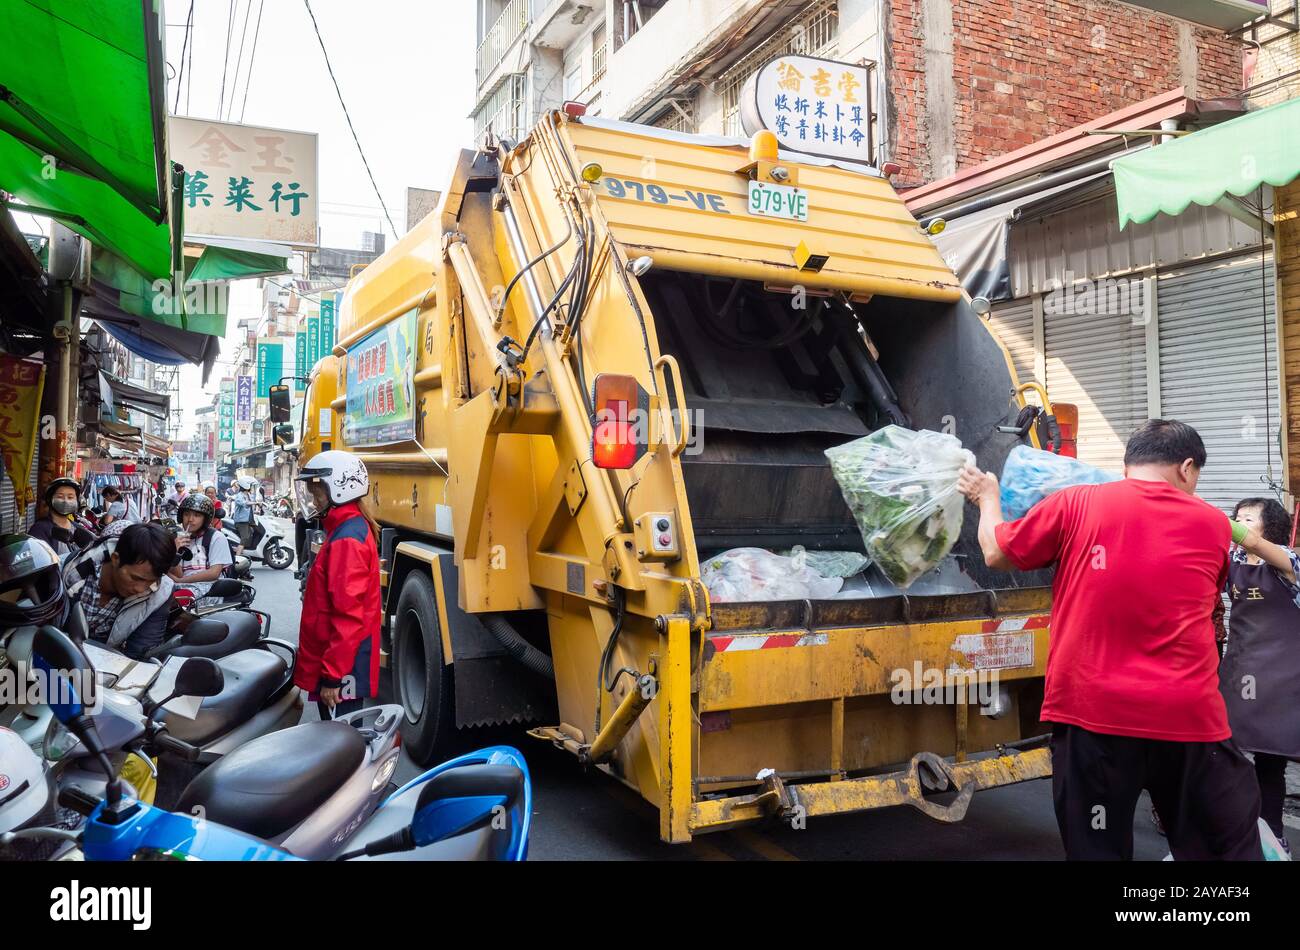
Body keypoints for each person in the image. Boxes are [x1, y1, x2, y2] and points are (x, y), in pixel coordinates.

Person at [957, 419, 1263, 861]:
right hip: (1188, 721)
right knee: (1217, 849)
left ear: (1127, 465)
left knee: (1097, 847)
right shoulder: (1213, 525)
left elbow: (997, 553)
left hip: (1092, 716)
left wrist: (987, 498)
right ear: (1188, 468)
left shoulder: (1075, 502)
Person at [1219, 497, 1300, 856]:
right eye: (1236, 518)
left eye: (1247, 519)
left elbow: (1253, 543)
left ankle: (1274, 837)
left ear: (1271, 528)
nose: (1238, 524)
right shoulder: (1233, 561)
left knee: (1271, 761)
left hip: (1279, 677)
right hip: (1239, 668)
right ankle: (1231, 831)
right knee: (1221, 752)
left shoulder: (1290, 561)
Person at [293, 450, 381, 720]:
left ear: (340, 489)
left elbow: (348, 616)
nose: (314, 499)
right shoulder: (346, 529)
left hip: (343, 664)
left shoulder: (347, 539)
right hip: (340, 658)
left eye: (317, 492)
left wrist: (333, 676)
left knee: (342, 745)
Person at [61, 522, 177, 660]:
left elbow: (140, 653)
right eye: (135, 578)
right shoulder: (64, 571)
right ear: (116, 559)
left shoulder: (160, 594)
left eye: (151, 581)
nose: (141, 589)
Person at [168, 493, 233, 600]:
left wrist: (181, 581)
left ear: (205, 519)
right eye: (186, 514)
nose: (190, 519)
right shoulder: (177, 538)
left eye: (197, 516)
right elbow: (178, 574)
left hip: (209, 590)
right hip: (181, 589)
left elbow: (214, 573)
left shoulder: (216, 537)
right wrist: (176, 552)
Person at [27, 477, 96, 558]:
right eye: (60, 497)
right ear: (50, 499)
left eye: (70, 497)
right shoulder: (40, 529)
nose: (65, 501)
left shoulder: (78, 528)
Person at [227, 477, 256, 550]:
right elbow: (244, 504)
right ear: (246, 486)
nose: (252, 487)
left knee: (253, 535)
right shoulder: (239, 495)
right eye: (251, 486)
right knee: (245, 538)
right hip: (241, 521)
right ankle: (238, 556)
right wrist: (256, 503)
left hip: (249, 521)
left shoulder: (248, 495)